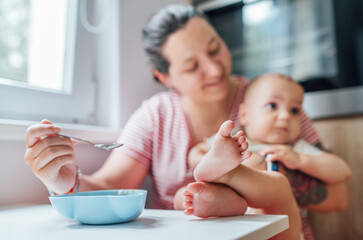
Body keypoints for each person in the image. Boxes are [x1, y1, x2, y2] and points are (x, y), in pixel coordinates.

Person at [24, 4, 345, 238]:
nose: (215, 69)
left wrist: (250, 188)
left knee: (258, 174)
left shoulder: (271, 99)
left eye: (215, 49)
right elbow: (110, 187)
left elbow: (337, 197)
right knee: (189, 197)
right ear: (164, 76)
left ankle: (229, 177)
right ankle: (218, 181)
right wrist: (65, 181)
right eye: (193, 66)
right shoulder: (155, 117)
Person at [185, 73, 352, 240]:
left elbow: (343, 171)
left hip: (282, 230)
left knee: (275, 183)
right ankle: (217, 199)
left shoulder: (296, 149)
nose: (285, 116)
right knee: (184, 195)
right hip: (233, 227)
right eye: (272, 106)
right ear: (244, 115)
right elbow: (195, 153)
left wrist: (301, 161)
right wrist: (207, 161)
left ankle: (228, 177)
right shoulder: (233, 142)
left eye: (294, 110)